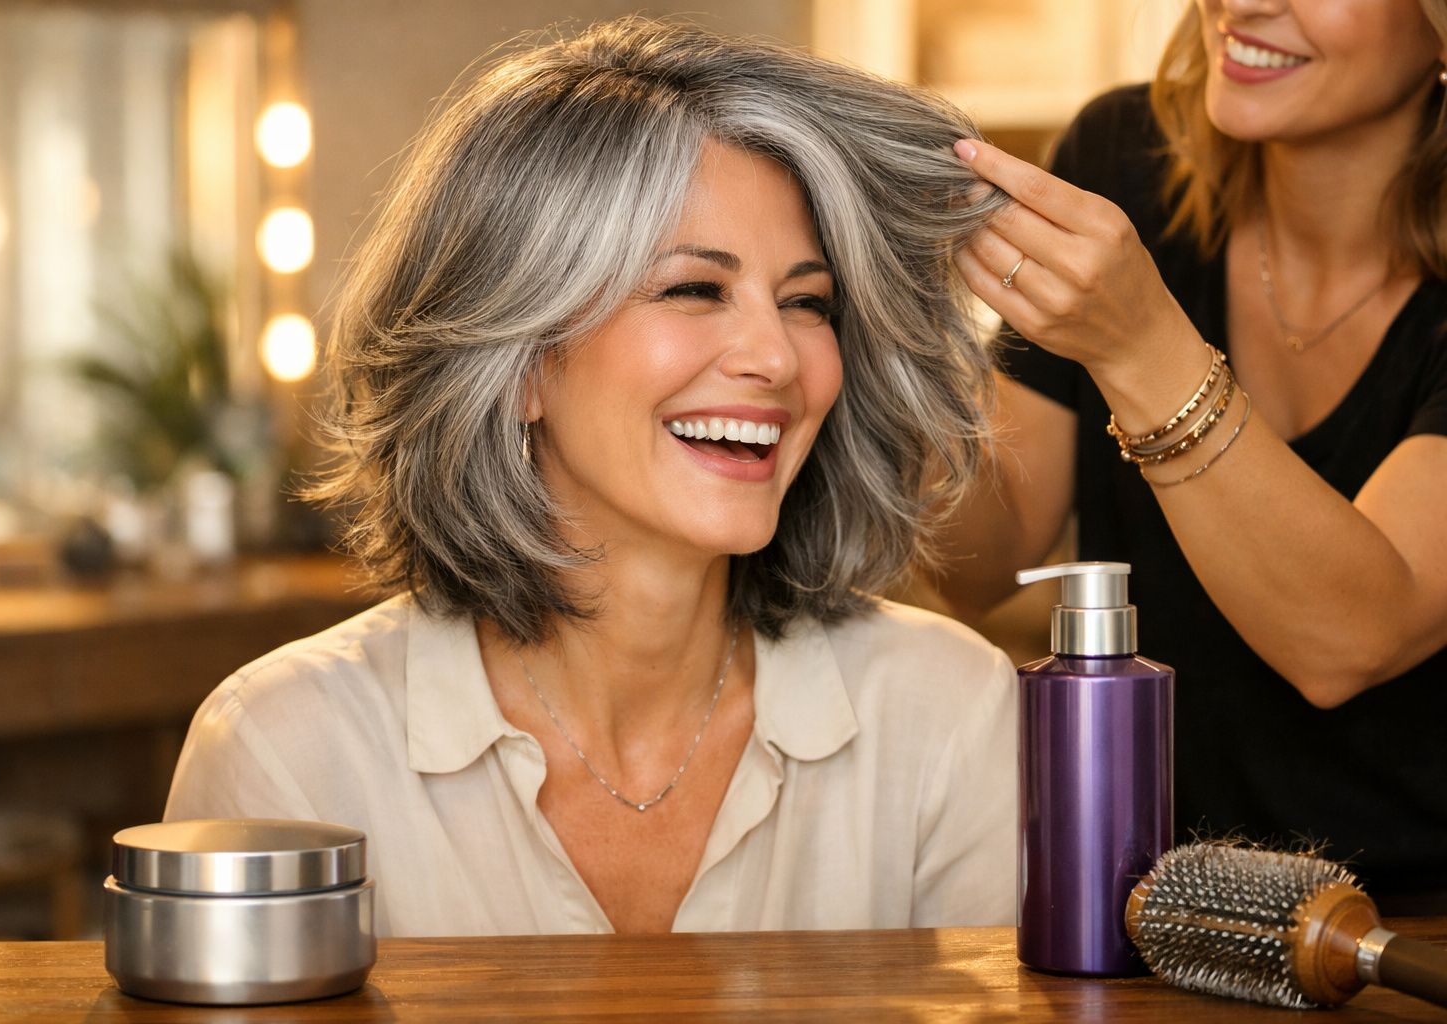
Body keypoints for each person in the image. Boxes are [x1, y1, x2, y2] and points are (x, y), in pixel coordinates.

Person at [165, 18, 1018, 936]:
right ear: (522, 360)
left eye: (807, 303)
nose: (775, 357)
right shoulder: (291, 754)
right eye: (694, 289)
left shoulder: (948, 716)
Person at [934, 0, 1447, 913]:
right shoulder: (1123, 155)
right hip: (1152, 910)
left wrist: (1141, 348)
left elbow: (1349, 639)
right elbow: (985, 554)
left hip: (1412, 938)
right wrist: (899, 351)